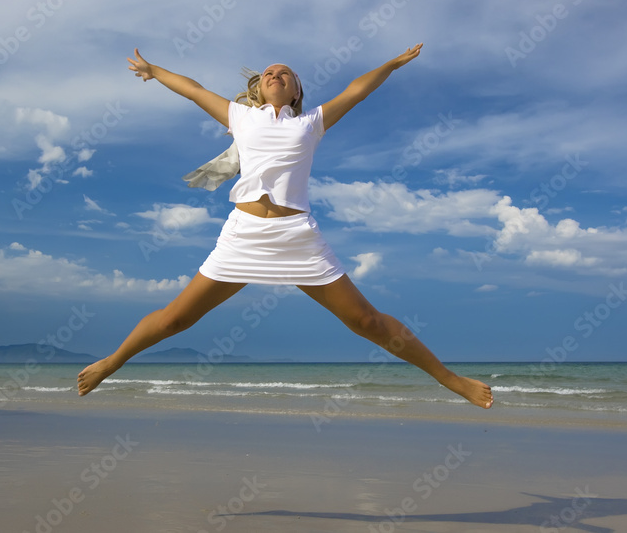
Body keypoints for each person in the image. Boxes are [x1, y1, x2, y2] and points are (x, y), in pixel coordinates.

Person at [77, 44, 493, 409]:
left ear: (296, 91)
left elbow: (356, 89)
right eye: (269, 74)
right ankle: (111, 363)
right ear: (258, 89)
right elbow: (194, 89)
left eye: (286, 74)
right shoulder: (240, 117)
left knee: (366, 322)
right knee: (174, 321)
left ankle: (449, 379)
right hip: (243, 235)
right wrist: (153, 71)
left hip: (297, 237)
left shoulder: (309, 123)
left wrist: (391, 64)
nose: (276, 75)